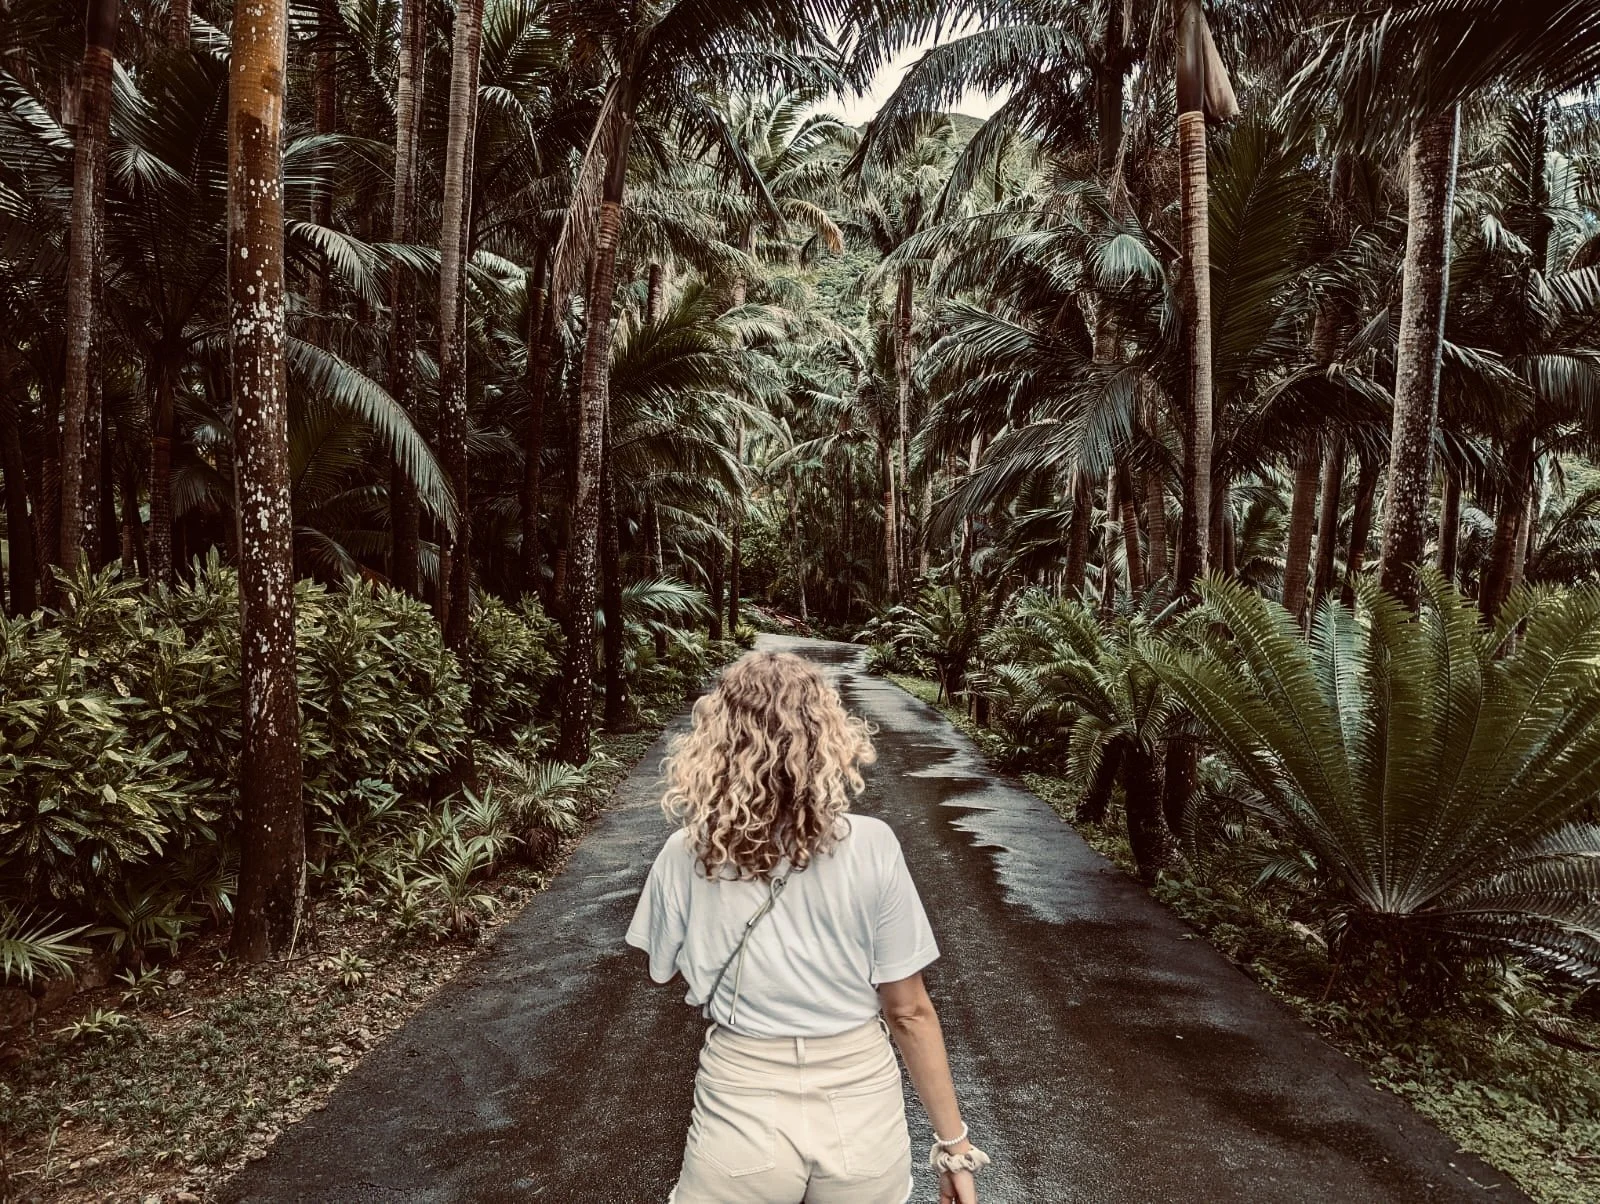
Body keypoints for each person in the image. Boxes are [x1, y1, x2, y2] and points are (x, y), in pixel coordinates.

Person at [627, 649, 987, 1204]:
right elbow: (909, 1012)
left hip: (740, 1096)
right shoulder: (872, 846)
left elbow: (659, 969)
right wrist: (953, 1148)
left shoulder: (686, 853)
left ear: (716, 741)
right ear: (826, 737)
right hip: (860, 1104)